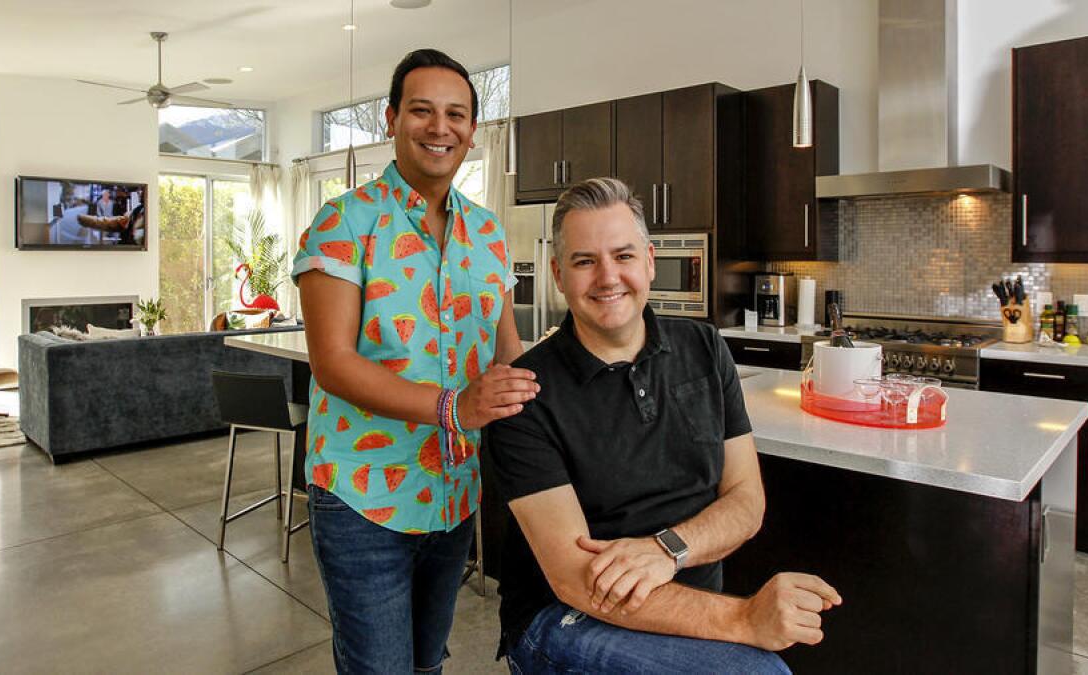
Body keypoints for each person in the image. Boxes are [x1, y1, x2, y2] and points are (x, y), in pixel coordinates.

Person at [488, 177, 842, 674]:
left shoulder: (704, 348)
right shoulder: (526, 395)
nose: (608, 277)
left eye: (624, 256)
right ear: (557, 274)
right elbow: (574, 578)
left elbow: (746, 499)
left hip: (680, 594)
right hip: (564, 616)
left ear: (650, 261)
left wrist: (666, 551)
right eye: (585, 261)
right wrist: (742, 618)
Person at [291, 48, 540, 674]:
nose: (440, 127)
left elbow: (505, 352)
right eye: (422, 111)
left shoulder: (486, 232)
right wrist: (455, 406)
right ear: (391, 119)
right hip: (359, 496)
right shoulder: (343, 222)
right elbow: (332, 362)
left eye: (456, 114)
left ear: (473, 132)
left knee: (427, 663)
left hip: (454, 494)